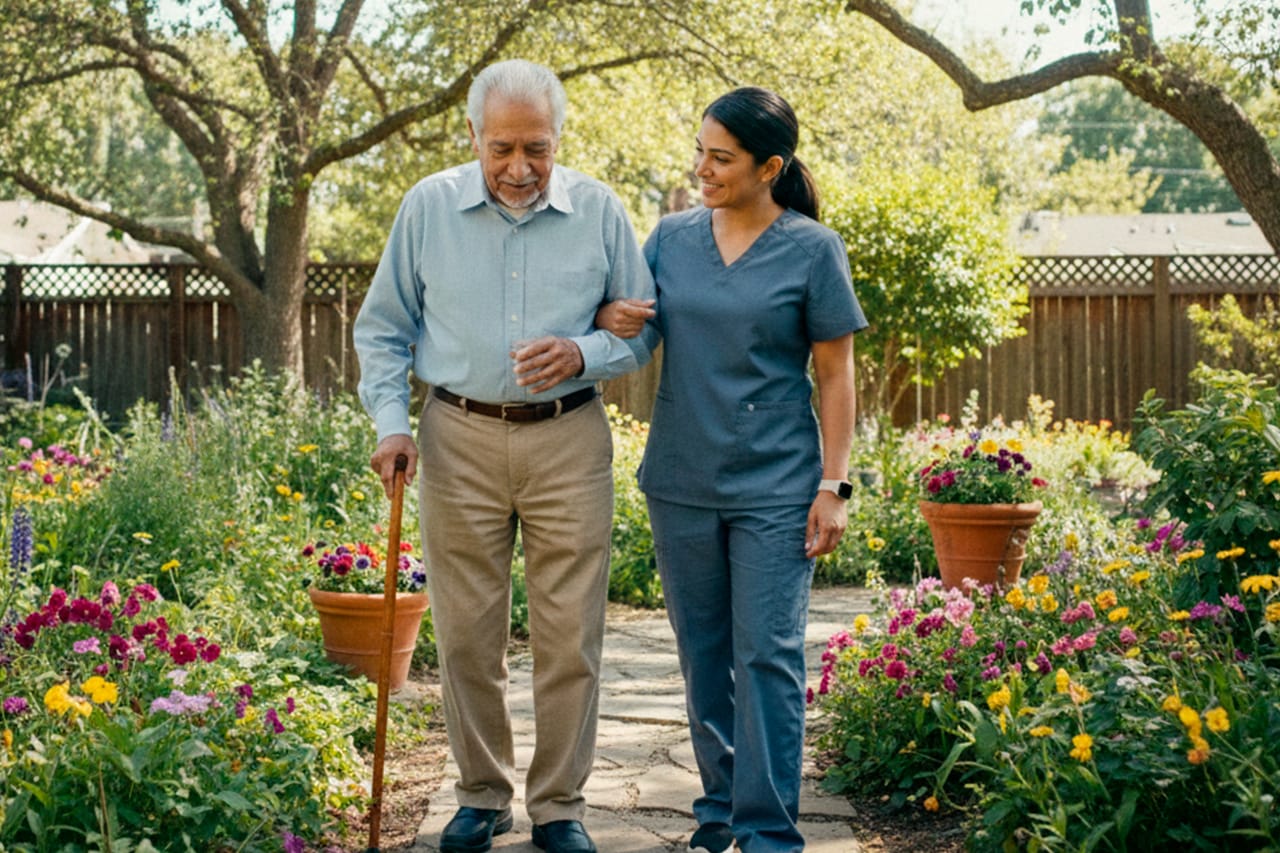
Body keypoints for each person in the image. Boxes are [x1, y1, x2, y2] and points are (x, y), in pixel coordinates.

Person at [353, 59, 656, 853]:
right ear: (473, 138)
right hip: (458, 436)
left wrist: (584, 351)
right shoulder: (427, 208)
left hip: (569, 437)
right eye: (502, 150)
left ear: (559, 140)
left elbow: (642, 328)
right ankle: (481, 795)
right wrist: (391, 423)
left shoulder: (598, 211)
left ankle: (560, 806)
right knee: (465, 632)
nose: (519, 168)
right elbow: (382, 329)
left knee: (569, 634)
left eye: (537, 149)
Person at [598, 87, 866, 853]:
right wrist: (608, 322)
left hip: (778, 487)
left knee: (769, 655)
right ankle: (718, 811)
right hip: (680, 480)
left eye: (722, 157)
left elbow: (837, 376)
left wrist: (834, 485)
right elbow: (637, 338)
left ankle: (769, 831)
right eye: (701, 151)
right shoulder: (671, 239)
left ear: (769, 166)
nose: (703, 168)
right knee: (704, 652)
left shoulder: (813, 249)